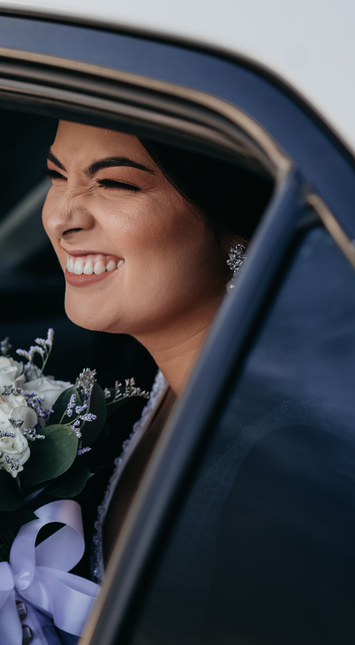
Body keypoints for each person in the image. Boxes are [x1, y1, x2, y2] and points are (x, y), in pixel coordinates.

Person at [40, 120, 273, 579]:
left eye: (113, 183)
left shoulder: (265, 471)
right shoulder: (173, 382)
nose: (59, 219)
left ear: (234, 225)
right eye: (56, 174)